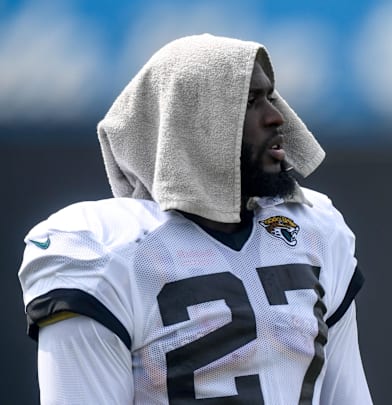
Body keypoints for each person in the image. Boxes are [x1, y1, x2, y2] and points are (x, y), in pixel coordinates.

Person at [18, 34, 372, 404]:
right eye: (250, 102)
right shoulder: (106, 252)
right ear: (191, 124)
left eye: (270, 96)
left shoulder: (313, 228)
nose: (276, 116)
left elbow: (347, 395)